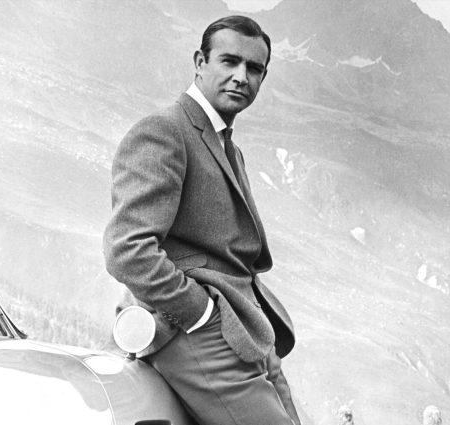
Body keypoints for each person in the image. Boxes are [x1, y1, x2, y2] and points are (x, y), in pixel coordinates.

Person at [103, 15, 301, 425]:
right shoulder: (164, 131)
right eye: (229, 61)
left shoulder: (227, 145)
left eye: (254, 68)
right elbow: (127, 250)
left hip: (245, 325)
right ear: (199, 62)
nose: (241, 77)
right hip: (195, 331)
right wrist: (200, 314)